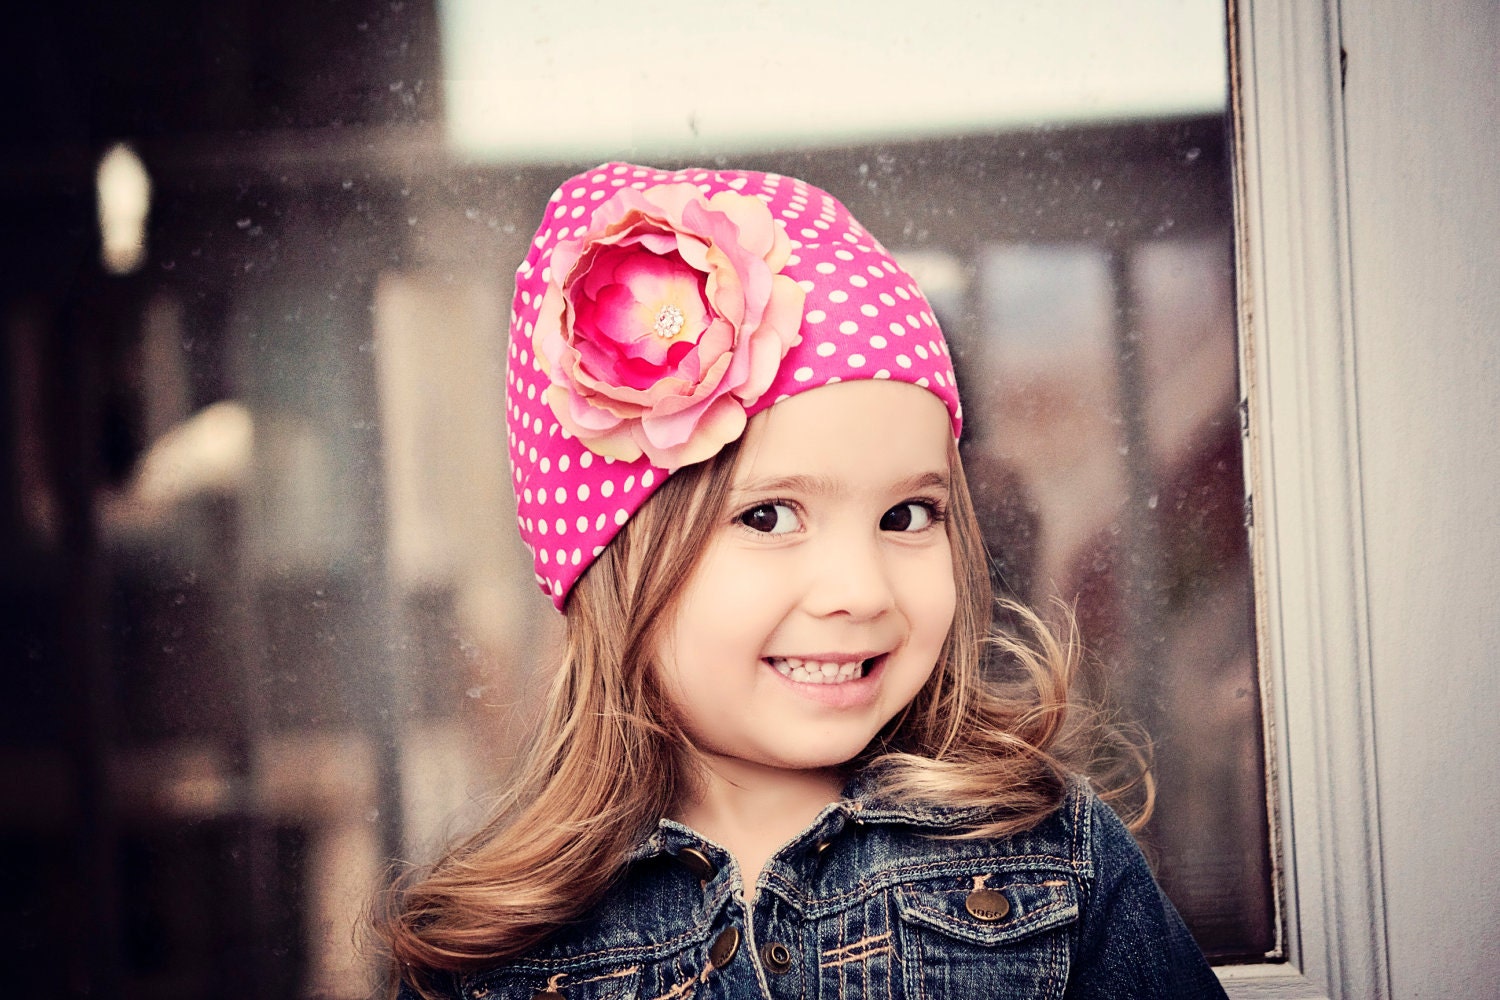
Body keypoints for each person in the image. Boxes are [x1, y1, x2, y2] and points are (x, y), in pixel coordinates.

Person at [374, 163, 1227, 999]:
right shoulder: (501, 960)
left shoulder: (1054, 860)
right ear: (613, 563)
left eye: (907, 517)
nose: (860, 591)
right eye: (769, 517)